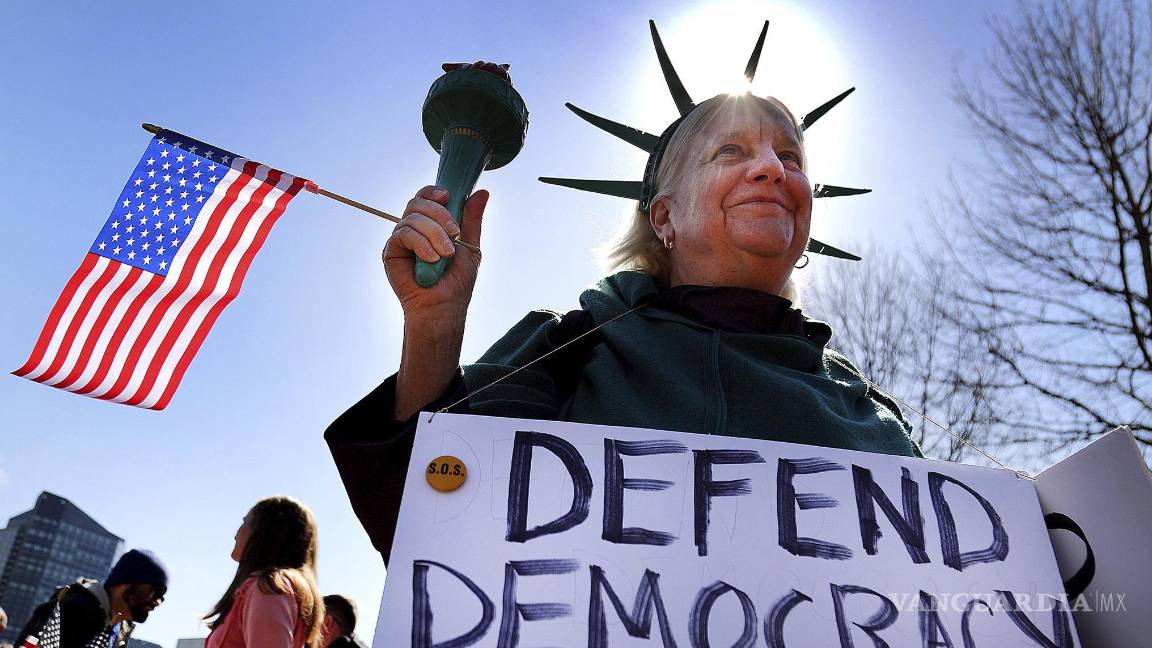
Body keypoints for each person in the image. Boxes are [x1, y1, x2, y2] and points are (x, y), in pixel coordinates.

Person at [326, 22, 921, 564]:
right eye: (731, 151)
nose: (772, 168)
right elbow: (434, 513)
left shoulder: (862, 401)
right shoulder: (571, 346)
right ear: (664, 217)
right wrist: (433, 324)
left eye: (789, 154)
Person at [205, 496, 324, 648]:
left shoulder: (268, 589)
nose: (236, 532)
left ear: (264, 531)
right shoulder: (270, 589)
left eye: (244, 521)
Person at [14, 548, 167, 648]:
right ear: (125, 583)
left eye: (162, 596)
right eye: (155, 592)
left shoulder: (119, 629)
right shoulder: (74, 611)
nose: (157, 602)